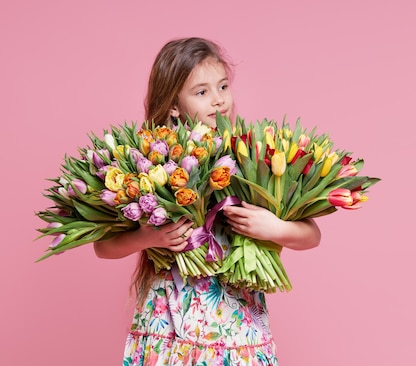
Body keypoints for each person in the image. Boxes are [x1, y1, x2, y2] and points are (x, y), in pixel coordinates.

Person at [94, 37, 321, 366]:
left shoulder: (252, 157)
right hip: (169, 323)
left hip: (237, 326)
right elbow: (103, 247)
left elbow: (312, 235)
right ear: (174, 105)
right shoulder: (156, 162)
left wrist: (274, 227)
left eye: (223, 87)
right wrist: (151, 237)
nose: (218, 101)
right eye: (201, 92)